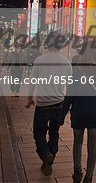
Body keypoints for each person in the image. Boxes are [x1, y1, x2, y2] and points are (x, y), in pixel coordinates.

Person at [59, 47, 96, 183]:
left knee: (78, 142)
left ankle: (77, 172)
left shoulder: (77, 71)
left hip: (79, 112)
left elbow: (69, 96)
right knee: (92, 148)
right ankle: (89, 178)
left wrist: (62, 115)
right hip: (95, 113)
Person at [25, 33, 72, 176]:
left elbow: (33, 81)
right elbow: (70, 85)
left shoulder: (40, 60)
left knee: (39, 133)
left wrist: (29, 98)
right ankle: (50, 156)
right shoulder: (66, 62)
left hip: (43, 104)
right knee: (54, 132)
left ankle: (46, 155)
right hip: (59, 102)